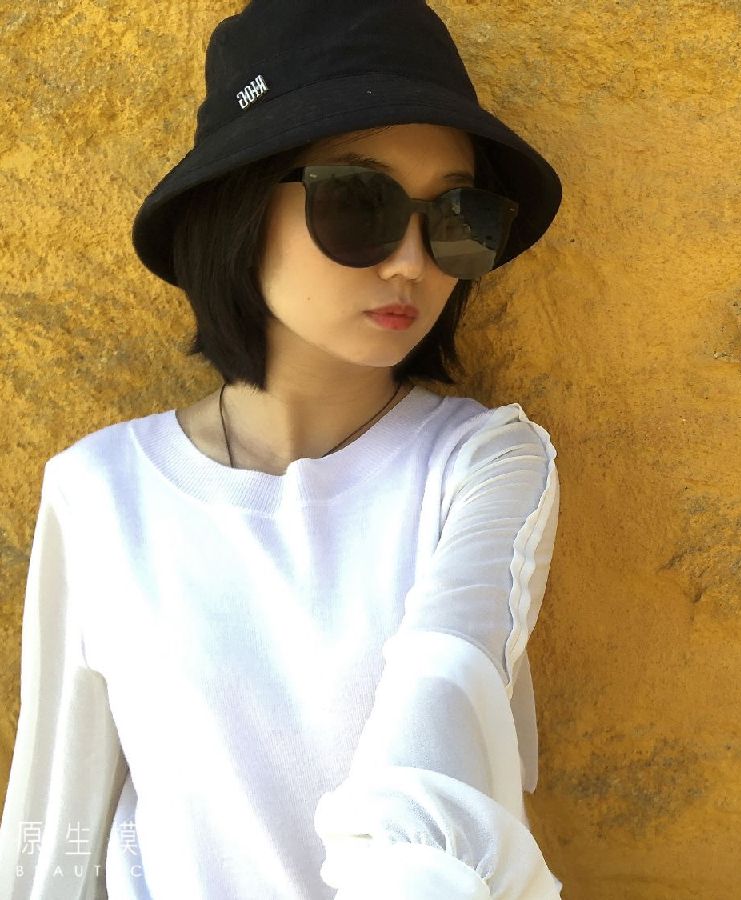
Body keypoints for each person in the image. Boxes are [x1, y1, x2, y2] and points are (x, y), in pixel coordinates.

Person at [0, 0, 564, 897]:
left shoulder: (483, 467)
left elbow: (439, 734)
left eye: (457, 215)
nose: (411, 263)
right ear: (241, 207)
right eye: (359, 203)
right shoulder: (101, 493)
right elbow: (57, 829)